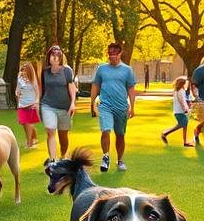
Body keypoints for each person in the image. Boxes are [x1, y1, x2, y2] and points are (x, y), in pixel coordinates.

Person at [89, 42, 137, 171]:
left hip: (121, 107)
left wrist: (132, 107)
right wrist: (92, 102)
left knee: (120, 135)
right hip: (105, 106)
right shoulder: (102, 69)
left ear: (120, 53)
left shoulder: (127, 70)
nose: (111, 56)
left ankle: (120, 160)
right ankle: (105, 157)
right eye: (109, 54)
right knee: (106, 129)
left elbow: (131, 89)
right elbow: (96, 86)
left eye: (114, 54)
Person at [39, 45, 78, 164]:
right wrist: (37, 103)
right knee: (50, 131)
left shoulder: (67, 70)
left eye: (58, 56)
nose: (55, 58)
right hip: (48, 105)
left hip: (64, 108)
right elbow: (41, 89)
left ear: (61, 58)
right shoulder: (44, 72)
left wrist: (72, 104)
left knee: (63, 135)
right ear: (49, 57)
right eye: (53, 55)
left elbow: (72, 88)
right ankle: (52, 160)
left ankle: (63, 156)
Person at [160, 75, 194, 147]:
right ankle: (165, 134)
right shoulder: (180, 91)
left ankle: (185, 142)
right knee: (182, 124)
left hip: (179, 111)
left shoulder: (178, 91)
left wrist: (188, 107)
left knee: (185, 125)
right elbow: (181, 101)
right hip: (180, 112)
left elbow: (184, 101)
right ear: (182, 84)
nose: (186, 84)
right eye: (185, 83)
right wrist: (185, 110)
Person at [16, 61, 41, 148]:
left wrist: (37, 101)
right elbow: (17, 89)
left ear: (29, 71)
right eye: (22, 70)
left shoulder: (33, 79)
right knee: (23, 122)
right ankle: (34, 138)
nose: (23, 72)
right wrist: (17, 94)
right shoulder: (19, 78)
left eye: (25, 70)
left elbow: (37, 92)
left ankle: (29, 143)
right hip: (22, 104)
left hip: (31, 103)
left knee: (29, 123)